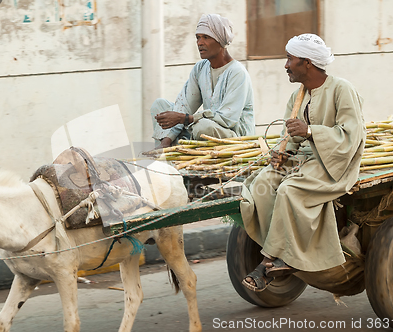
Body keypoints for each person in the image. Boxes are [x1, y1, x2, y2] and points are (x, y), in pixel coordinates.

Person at [239, 33, 365, 292]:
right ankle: (282, 249)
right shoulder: (297, 96)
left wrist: (310, 132)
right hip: (303, 160)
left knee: (289, 190)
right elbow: (292, 138)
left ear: (307, 63)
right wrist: (283, 153)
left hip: (334, 164)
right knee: (262, 184)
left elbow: (351, 136)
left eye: (290, 59)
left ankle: (267, 263)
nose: (286, 65)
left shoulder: (342, 89)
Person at [151, 14, 255, 148]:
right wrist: (166, 140)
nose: (200, 43)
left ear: (220, 40)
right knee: (160, 106)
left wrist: (186, 119)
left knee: (202, 126)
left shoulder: (237, 72)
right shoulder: (200, 68)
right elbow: (183, 106)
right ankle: (165, 152)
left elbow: (227, 119)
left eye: (206, 37)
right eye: (198, 37)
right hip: (204, 131)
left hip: (234, 137)